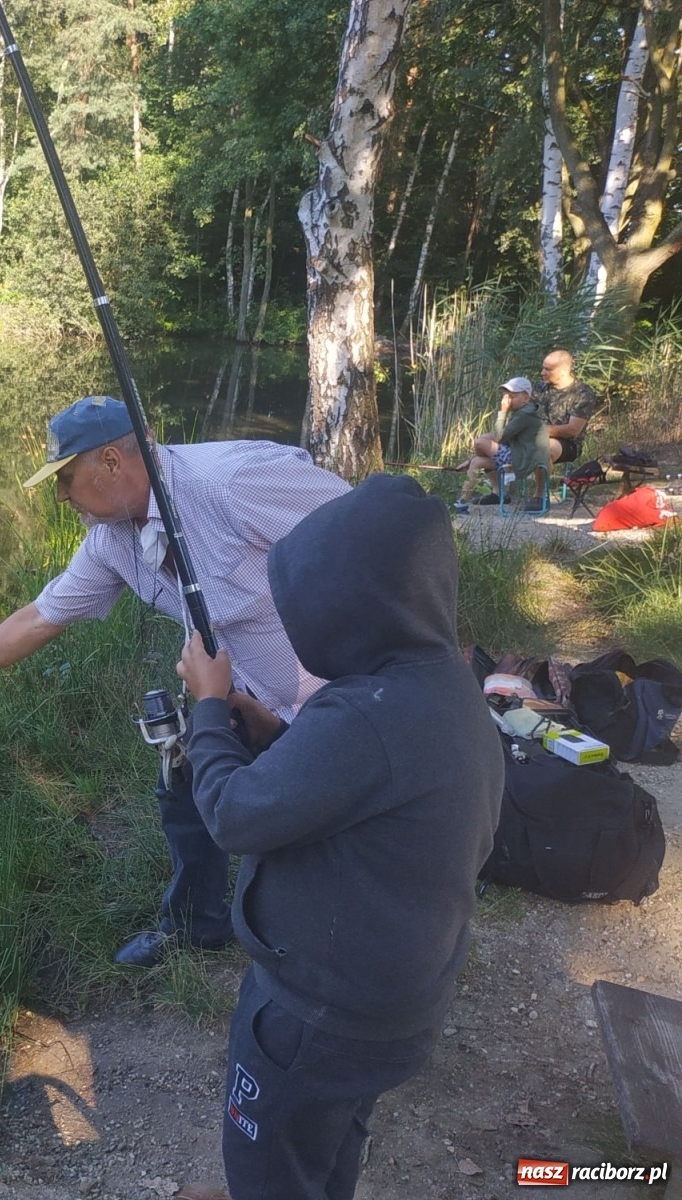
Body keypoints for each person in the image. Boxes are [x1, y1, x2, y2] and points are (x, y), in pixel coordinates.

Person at [0, 395, 350, 968]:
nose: (63, 496)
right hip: (243, 694)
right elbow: (43, 615)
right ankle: (197, 925)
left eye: (67, 479)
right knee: (183, 777)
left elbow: (365, 535)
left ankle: (326, 930)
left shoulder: (230, 482)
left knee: (322, 832)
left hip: (334, 694)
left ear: (113, 462)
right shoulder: (114, 539)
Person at [175, 473, 502, 1200]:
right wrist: (272, 735)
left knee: (268, 1171)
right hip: (395, 1008)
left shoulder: (361, 718)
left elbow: (232, 815)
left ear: (351, 611)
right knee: (327, 1148)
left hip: (314, 1020)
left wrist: (206, 710)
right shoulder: (448, 688)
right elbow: (369, 793)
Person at [456, 349, 596, 505]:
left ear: (564, 370)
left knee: (544, 447)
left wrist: (534, 432)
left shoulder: (582, 393)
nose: (542, 372)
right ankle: (498, 492)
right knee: (483, 440)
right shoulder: (539, 387)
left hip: (564, 443)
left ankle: (540, 496)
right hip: (527, 437)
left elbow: (572, 430)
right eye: (543, 367)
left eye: (548, 369)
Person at [454, 377, 548, 512]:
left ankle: (468, 499)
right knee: (479, 459)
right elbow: (504, 438)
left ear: (526, 397)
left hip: (525, 460)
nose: (507, 400)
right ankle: (466, 500)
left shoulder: (526, 414)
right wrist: (471, 460)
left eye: (512, 396)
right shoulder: (523, 411)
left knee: (480, 442)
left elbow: (500, 436)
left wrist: (502, 412)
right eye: (506, 396)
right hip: (520, 452)